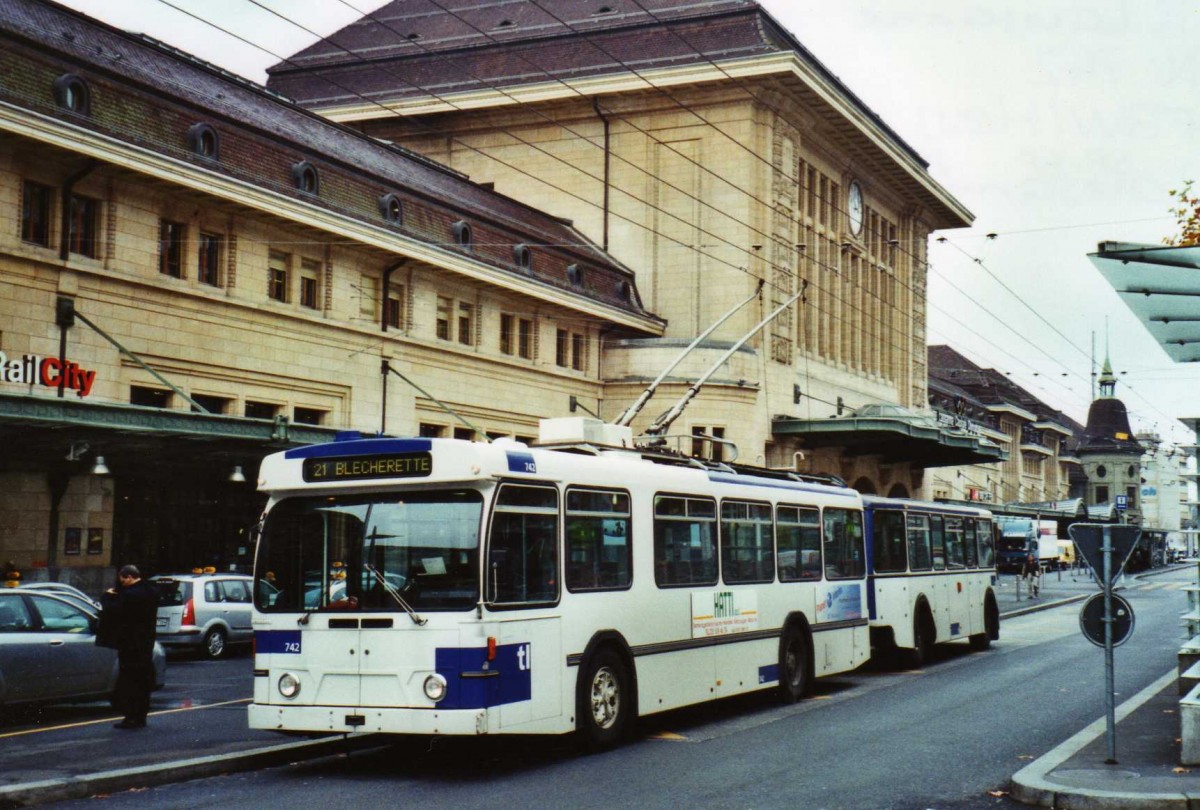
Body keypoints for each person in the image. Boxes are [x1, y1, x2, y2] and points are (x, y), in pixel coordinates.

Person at [100, 565, 158, 729]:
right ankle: (141, 716)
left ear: (129, 577)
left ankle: (131, 717)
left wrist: (107, 596)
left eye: (123, 579)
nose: (122, 583)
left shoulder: (129, 595)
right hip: (146, 643)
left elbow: (113, 610)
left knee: (129, 681)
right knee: (143, 682)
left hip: (130, 644)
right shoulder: (151, 591)